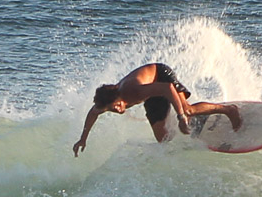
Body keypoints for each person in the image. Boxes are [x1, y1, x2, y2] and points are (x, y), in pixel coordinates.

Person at [72, 63, 242, 156]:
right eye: (112, 110)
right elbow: (93, 113)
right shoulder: (105, 101)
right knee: (163, 139)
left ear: (118, 96)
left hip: (161, 76)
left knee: (187, 110)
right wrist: (83, 138)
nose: (117, 110)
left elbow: (167, 88)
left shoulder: (134, 91)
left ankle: (228, 110)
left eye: (117, 106)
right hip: (152, 92)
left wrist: (181, 116)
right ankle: (195, 126)